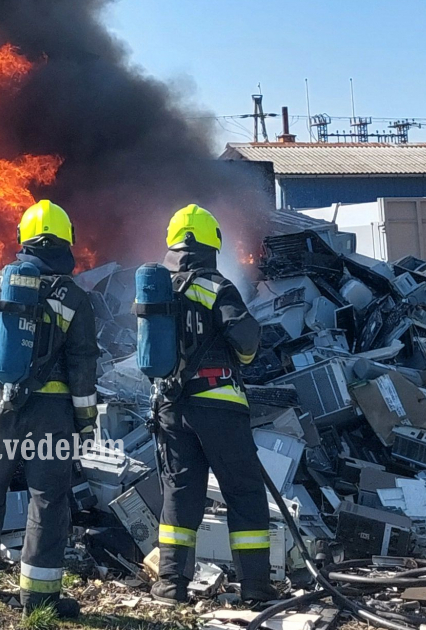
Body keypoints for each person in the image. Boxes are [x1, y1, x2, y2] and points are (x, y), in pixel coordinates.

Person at [0, 199, 99, 618]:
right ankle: (37, 598)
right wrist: (86, 423)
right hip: (52, 416)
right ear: (66, 242)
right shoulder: (73, 296)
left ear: (22, 239)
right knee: (47, 499)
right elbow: (83, 367)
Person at [150, 204, 278, 605]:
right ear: (212, 243)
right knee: (243, 493)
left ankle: (170, 586)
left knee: (180, 494)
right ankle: (256, 588)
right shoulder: (214, 285)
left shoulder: (156, 288)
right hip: (218, 404)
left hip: (171, 407)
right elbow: (247, 341)